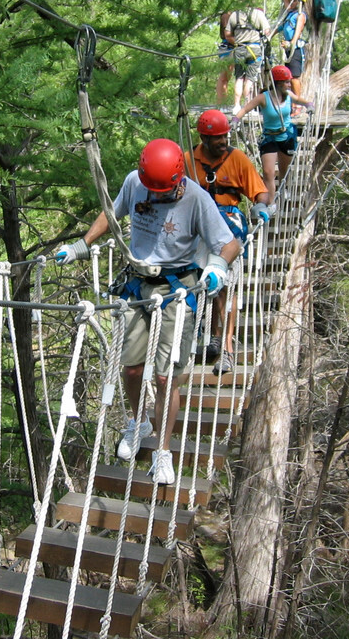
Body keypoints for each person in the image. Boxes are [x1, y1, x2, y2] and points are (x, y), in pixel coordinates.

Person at [56, 139, 242, 485]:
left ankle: (163, 450)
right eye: (152, 190)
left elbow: (230, 243)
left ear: (178, 180)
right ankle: (138, 420)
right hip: (137, 285)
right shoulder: (135, 182)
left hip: (176, 289)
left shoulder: (196, 199)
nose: (156, 196)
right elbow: (113, 213)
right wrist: (82, 245)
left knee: (165, 377)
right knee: (131, 369)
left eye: (164, 190)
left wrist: (216, 266)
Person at [186, 109, 271, 374]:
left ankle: (226, 350)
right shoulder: (189, 160)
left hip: (228, 226)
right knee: (199, 283)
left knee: (224, 286)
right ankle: (208, 335)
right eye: (217, 138)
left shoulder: (238, 160)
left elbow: (260, 192)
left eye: (225, 136)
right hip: (199, 228)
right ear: (203, 137)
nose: (223, 141)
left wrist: (260, 206)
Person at [232, 64, 311, 206]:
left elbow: (300, 100)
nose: (289, 85)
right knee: (268, 172)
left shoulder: (288, 96)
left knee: (284, 170)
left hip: (286, 136)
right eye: (287, 82)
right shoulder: (264, 97)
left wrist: (309, 105)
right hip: (269, 137)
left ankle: (283, 187)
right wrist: (236, 120)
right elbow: (246, 109)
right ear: (278, 83)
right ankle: (271, 202)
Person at [222, 0, 272, 115]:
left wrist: (237, 41)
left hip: (239, 48)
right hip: (254, 49)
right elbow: (267, 31)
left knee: (239, 77)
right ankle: (247, 106)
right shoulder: (258, 14)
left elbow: (227, 34)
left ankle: (236, 105)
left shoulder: (235, 15)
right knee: (250, 79)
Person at [277, 0, 307, 101]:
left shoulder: (300, 16)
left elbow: (298, 32)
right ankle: (291, 101)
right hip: (288, 49)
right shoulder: (289, 14)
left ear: (299, 3)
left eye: (295, 0)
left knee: (294, 77)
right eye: (292, 0)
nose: (291, 2)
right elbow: (286, 3)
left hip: (296, 49)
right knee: (288, 77)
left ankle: (297, 103)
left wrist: (291, 43)